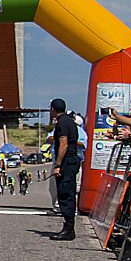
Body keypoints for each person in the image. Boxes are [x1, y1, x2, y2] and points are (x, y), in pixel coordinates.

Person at [49, 98, 80, 241]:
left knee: (65, 193)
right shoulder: (71, 122)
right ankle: (68, 227)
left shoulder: (61, 123)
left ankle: (69, 229)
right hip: (73, 160)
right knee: (69, 192)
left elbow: (63, 145)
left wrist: (57, 165)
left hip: (67, 162)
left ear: (53, 109)